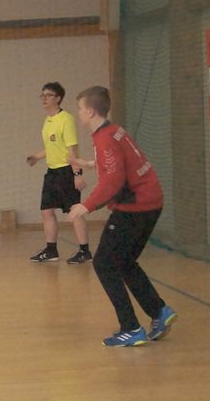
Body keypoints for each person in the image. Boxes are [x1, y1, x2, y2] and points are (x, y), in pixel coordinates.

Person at [68, 86, 177, 347]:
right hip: (151, 202)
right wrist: (90, 164)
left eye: (80, 109)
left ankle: (131, 328)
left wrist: (86, 206)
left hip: (135, 207)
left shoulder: (104, 138)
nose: (78, 113)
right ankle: (159, 312)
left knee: (104, 263)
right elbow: (121, 162)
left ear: (90, 111)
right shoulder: (113, 131)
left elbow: (114, 180)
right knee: (124, 261)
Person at [26, 82, 91, 264]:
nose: (44, 98)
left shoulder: (66, 119)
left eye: (48, 95)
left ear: (58, 98)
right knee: (46, 211)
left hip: (67, 171)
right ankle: (51, 250)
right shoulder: (48, 121)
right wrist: (37, 157)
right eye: (42, 95)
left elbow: (72, 149)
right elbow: (52, 147)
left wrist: (77, 174)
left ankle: (84, 251)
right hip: (52, 171)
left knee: (75, 211)